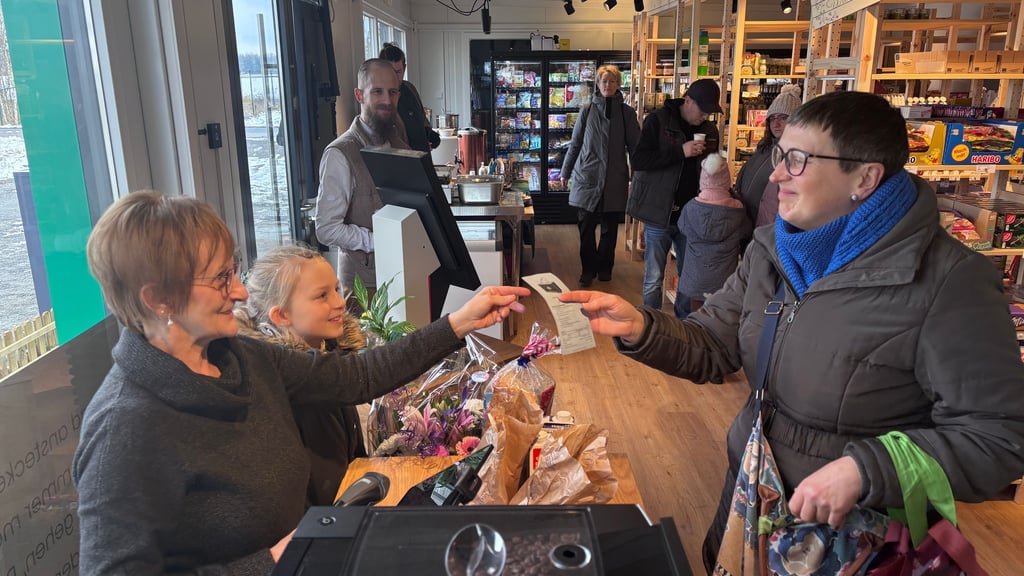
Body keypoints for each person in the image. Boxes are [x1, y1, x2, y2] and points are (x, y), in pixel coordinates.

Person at [560, 91, 1024, 574]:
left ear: (865, 178)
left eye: (798, 160)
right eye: (781, 154)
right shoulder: (770, 250)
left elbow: (999, 438)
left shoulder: (951, 282)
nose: (777, 174)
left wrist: (867, 470)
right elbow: (715, 343)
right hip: (751, 500)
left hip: (853, 543)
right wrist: (642, 327)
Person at [73, 190, 529, 575]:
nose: (239, 292)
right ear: (159, 299)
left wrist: (456, 324)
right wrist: (268, 561)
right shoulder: (124, 429)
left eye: (234, 271)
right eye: (220, 279)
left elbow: (357, 376)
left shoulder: (242, 359)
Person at [236, 244, 368, 507]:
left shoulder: (331, 355)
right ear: (282, 315)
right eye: (322, 296)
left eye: (336, 290)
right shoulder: (283, 389)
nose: (340, 302)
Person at [315, 58, 409, 307]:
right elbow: (326, 229)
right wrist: (377, 241)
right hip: (363, 286)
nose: (387, 101)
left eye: (392, 92)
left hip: (403, 273)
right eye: (377, 92)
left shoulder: (398, 143)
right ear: (359, 95)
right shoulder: (340, 153)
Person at [627, 78, 721, 318]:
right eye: (703, 110)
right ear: (687, 100)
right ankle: (651, 324)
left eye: (710, 111)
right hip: (659, 212)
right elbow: (639, 161)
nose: (705, 116)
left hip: (692, 215)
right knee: (654, 276)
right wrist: (680, 152)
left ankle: (682, 327)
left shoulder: (710, 131)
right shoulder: (657, 121)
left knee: (689, 276)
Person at [560, 64, 641, 287]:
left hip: (615, 179)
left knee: (609, 228)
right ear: (598, 84)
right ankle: (588, 270)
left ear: (618, 84)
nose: (608, 85)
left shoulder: (626, 113)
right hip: (588, 177)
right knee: (585, 228)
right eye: (604, 81)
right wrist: (565, 172)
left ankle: (605, 268)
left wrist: (637, 178)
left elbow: (635, 147)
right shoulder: (587, 111)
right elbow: (575, 144)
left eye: (612, 81)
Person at [677, 152, 751, 320]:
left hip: (696, 276)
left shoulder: (690, 208)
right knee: (719, 319)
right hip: (724, 278)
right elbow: (746, 231)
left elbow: (682, 228)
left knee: (695, 317)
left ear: (703, 180)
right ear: (726, 179)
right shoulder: (738, 210)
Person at [735, 83, 802, 227]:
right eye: (772, 118)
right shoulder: (765, 147)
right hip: (748, 222)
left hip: (767, 230)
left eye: (783, 117)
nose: (776, 124)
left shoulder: (798, 155)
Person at [379, 42, 441, 153]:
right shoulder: (379, 99)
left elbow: (421, 118)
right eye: (390, 72)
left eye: (398, 72)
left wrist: (429, 133)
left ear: (404, 68)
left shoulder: (409, 88)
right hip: (400, 160)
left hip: (422, 156)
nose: (394, 77)